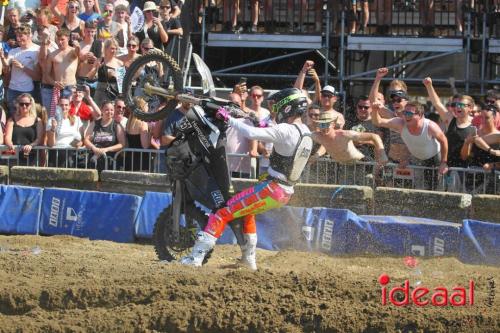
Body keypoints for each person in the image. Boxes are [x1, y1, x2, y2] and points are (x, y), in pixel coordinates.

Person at [180, 88, 313, 269]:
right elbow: (279, 137)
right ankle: (248, 260)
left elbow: (251, 133)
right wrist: (261, 123)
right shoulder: (305, 131)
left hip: (272, 188)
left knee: (222, 212)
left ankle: (195, 257)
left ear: (287, 107)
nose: (274, 110)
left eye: (277, 106)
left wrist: (228, 118)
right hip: (285, 192)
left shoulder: (285, 130)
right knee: (246, 212)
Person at [372, 100, 449, 189]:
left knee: (438, 188)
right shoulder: (400, 123)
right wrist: (374, 110)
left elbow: (444, 141)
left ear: (420, 115)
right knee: (419, 188)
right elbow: (378, 122)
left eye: (409, 113)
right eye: (404, 113)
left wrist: (443, 162)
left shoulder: (430, 126)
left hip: (435, 157)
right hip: (417, 158)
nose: (406, 116)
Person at [310, 111, 388, 166]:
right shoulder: (317, 136)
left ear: (333, 124)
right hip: (341, 167)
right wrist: (316, 155)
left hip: (359, 165)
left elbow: (374, 136)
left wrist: (382, 154)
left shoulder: (344, 134)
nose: (324, 128)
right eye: (321, 125)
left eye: (327, 124)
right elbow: (326, 144)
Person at [83, 100, 126, 171]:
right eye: (107, 110)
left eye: (112, 110)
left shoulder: (117, 125)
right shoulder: (94, 123)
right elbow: (86, 139)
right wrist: (93, 148)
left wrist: (106, 149)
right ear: (101, 110)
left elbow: (122, 144)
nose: (109, 112)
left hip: (111, 162)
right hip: (95, 161)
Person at [4, 93, 44, 165]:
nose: (24, 106)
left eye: (27, 104)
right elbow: (7, 137)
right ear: (18, 105)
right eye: (21, 104)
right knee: (10, 174)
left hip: (31, 154)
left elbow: (39, 138)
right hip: (13, 153)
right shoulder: (11, 119)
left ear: (31, 105)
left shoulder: (38, 121)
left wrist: (31, 145)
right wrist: (9, 144)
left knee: (29, 174)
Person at [46, 96, 83, 167]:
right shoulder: (52, 120)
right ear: (57, 107)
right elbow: (50, 144)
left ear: (69, 106)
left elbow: (82, 139)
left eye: (66, 105)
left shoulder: (77, 119)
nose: (64, 107)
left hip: (72, 154)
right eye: (61, 105)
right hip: (57, 154)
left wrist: (80, 143)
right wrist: (53, 128)